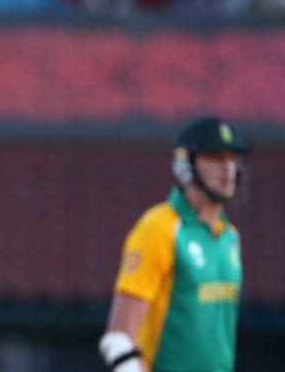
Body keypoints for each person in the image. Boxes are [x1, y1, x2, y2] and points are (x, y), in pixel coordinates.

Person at [99, 116, 248, 372]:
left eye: (233, 158)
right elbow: (119, 337)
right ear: (186, 165)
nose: (228, 168)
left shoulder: (230, 237)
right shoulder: (159, 228)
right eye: (215, 157)